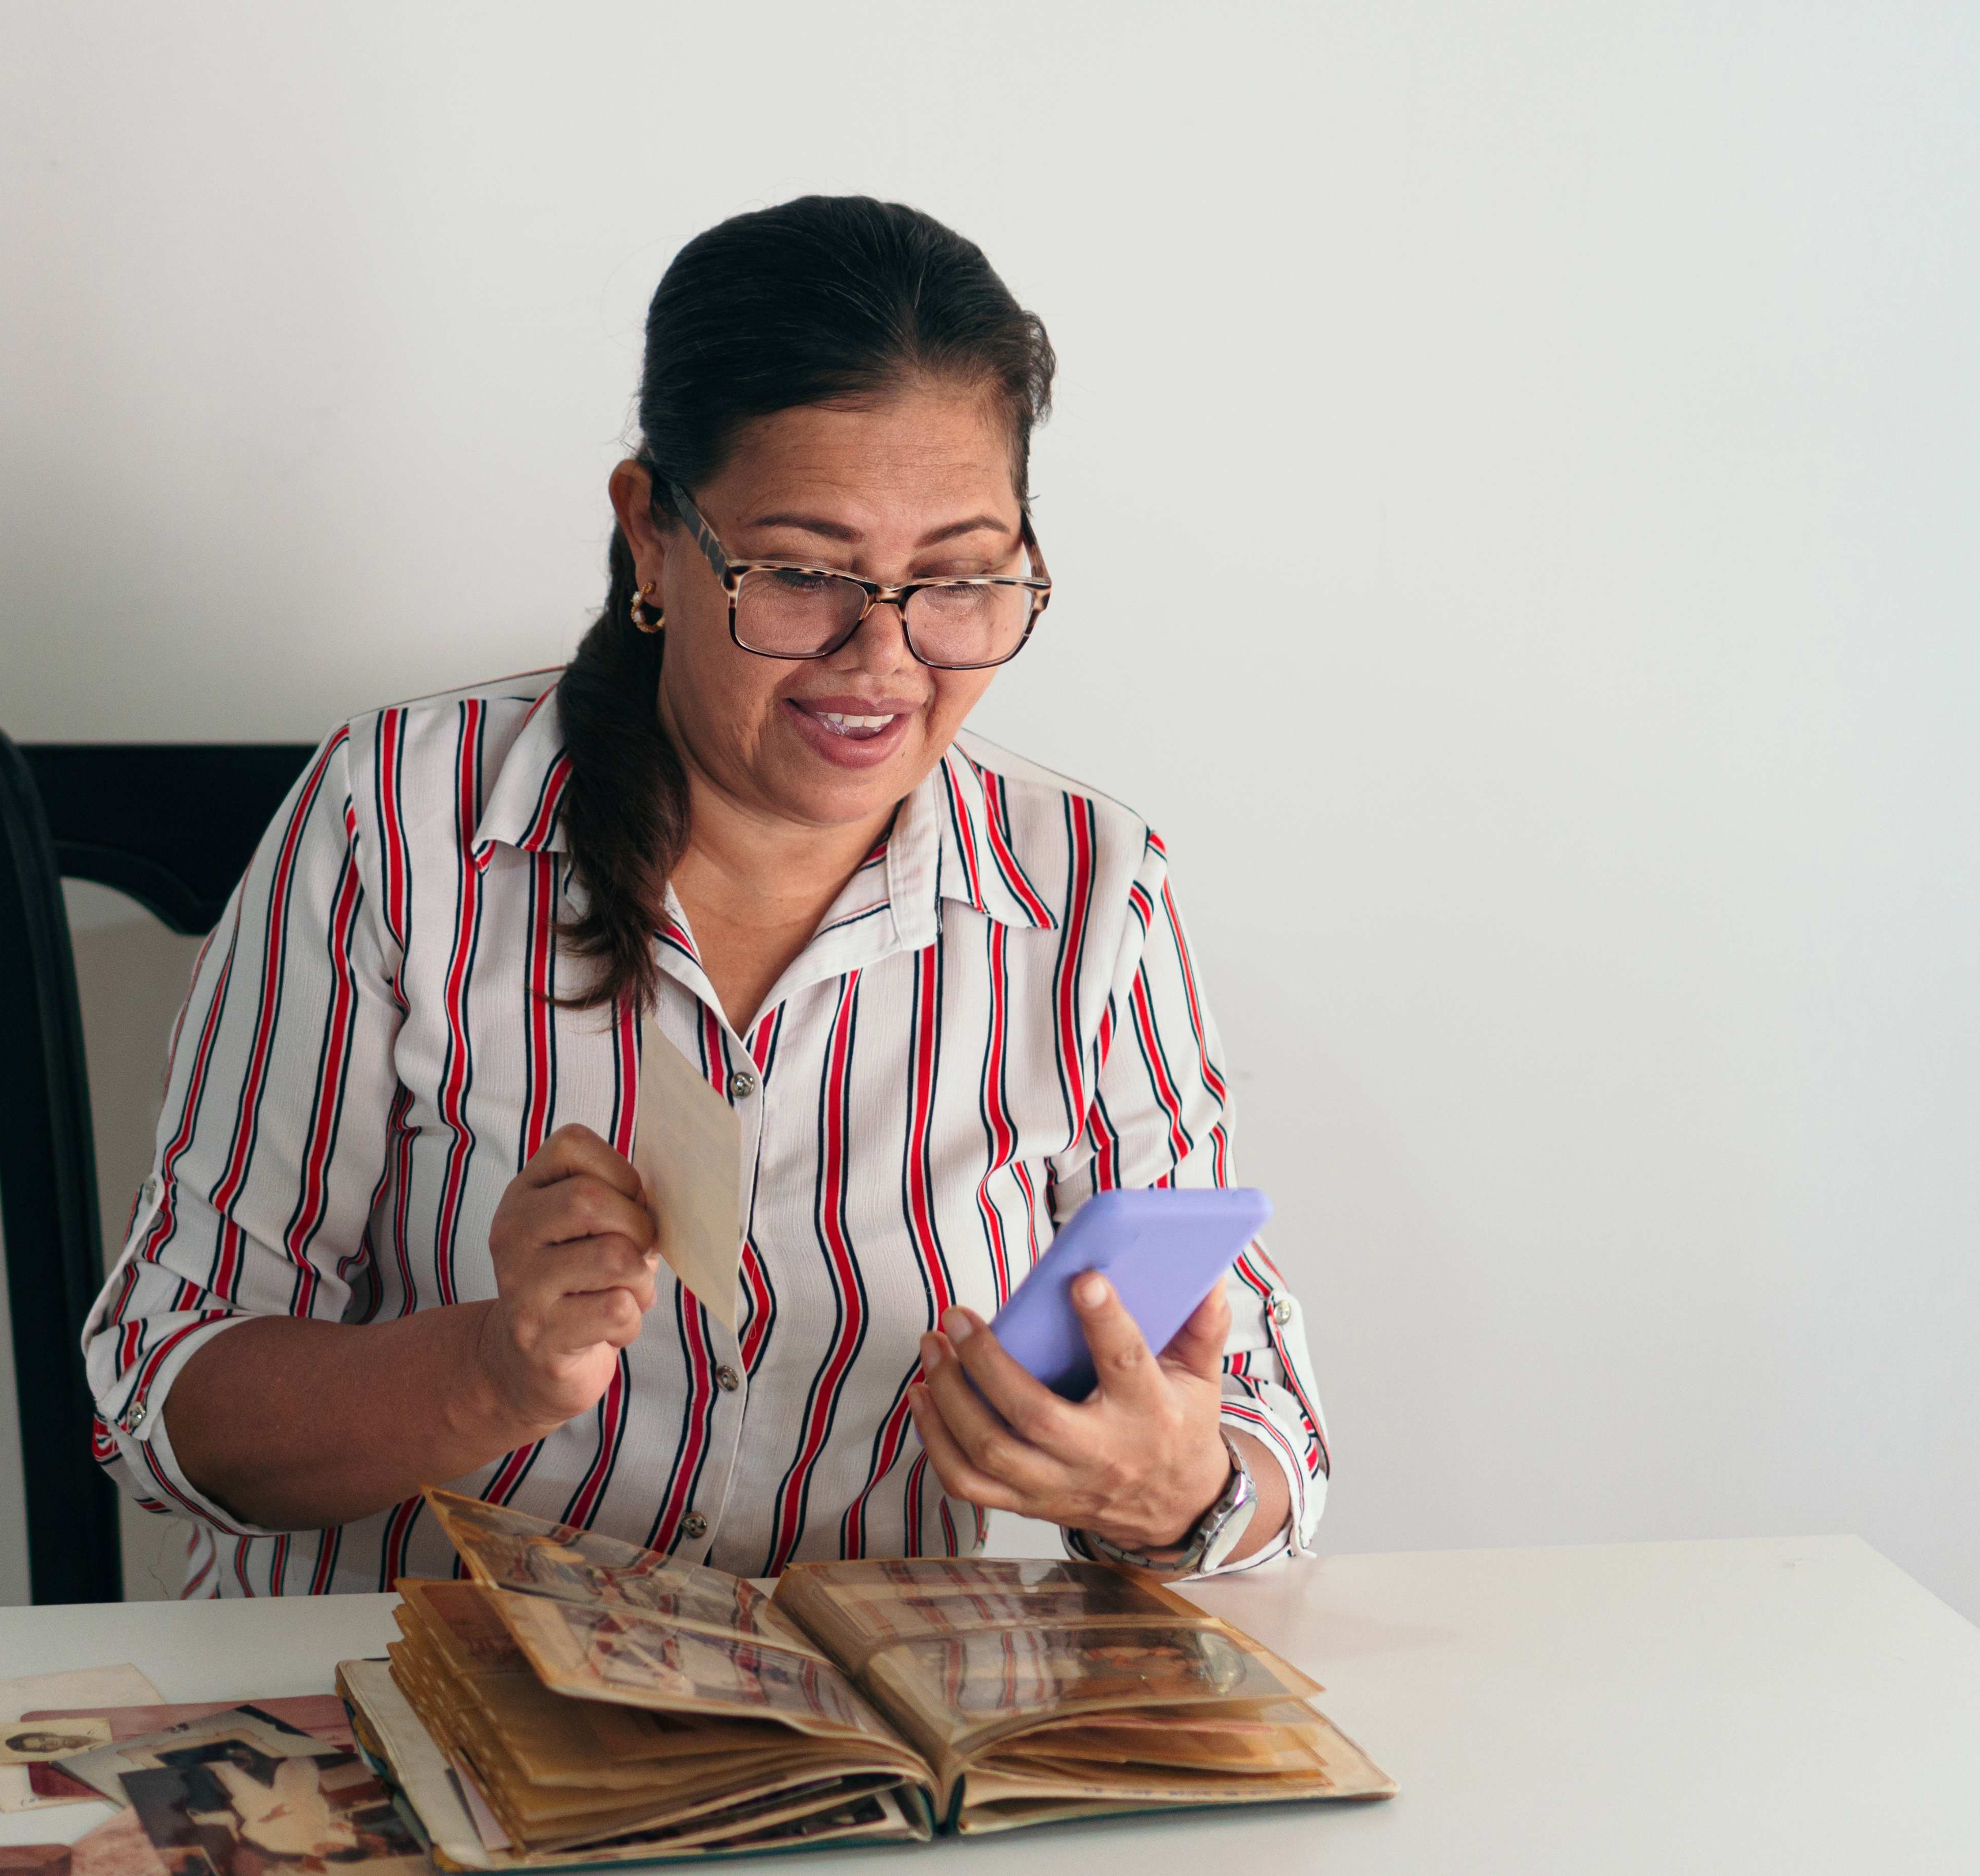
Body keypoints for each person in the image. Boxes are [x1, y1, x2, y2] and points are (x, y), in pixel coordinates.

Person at [82, 195, 1329, 1599]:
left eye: (957, 578)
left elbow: (1265, 1416)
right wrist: (489, 1370)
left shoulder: (1086, 888)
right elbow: (155, 1401)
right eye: (803, 574)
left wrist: (1173, 1488)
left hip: (854, 1762)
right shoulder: (395, 819)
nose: (885, 661)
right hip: (403, 1722)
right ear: (651, 538)